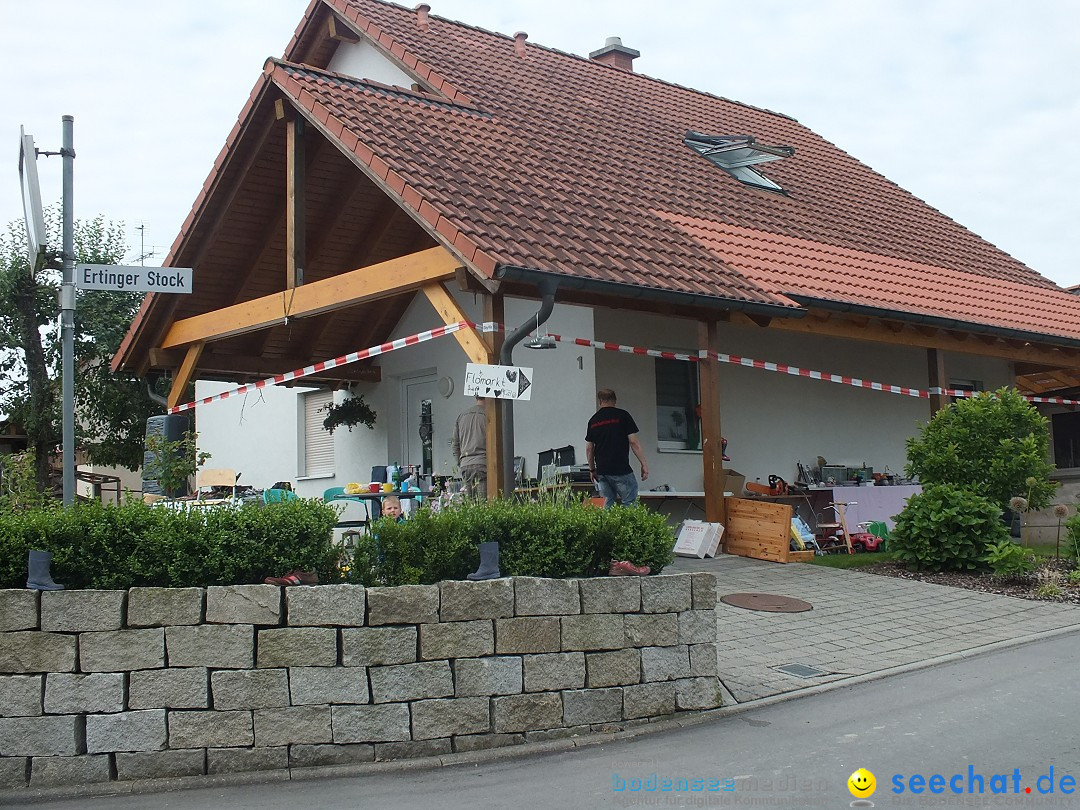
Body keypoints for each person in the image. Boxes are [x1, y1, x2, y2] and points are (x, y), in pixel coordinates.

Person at [585, 388, 648, 507]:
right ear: (614, 401)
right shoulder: (623, 416)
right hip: (621, 468)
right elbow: (634, 442)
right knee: (630, 502)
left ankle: (609, 526)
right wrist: (643, 464)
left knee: (608, 503)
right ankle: (628, 526)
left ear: (600, 402)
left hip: (602, 471)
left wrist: (592, 470)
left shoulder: (593, 421)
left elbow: (589, 448)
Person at [452, 395, 487, 498]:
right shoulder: (489, 416)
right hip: (483, 464)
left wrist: (461, 462)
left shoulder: (462, 416)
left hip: (465, 465)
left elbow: (455, 444)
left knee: (470, 506)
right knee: (484, 505)